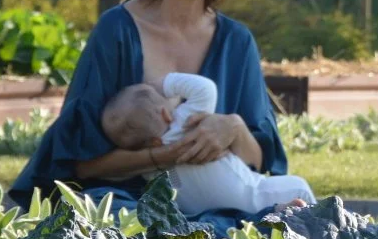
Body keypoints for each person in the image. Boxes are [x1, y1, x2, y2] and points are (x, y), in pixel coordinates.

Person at [9, 0, 293, 229]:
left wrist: (232, 129)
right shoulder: (117, 30)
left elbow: (260, 163)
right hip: (125, 203)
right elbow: (80, 165)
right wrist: (161, 157)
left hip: (221, 205)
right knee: (112, 219)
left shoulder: (237, 41)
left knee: (291, 215)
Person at [100, 74, 316, 216]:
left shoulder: (149, 168)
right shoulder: (183, 123)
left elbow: (114, 174)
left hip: (201, 212)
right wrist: (165, 84)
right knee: (299, 187)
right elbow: (205, 89)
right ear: (165, 113)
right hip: (249, 195)